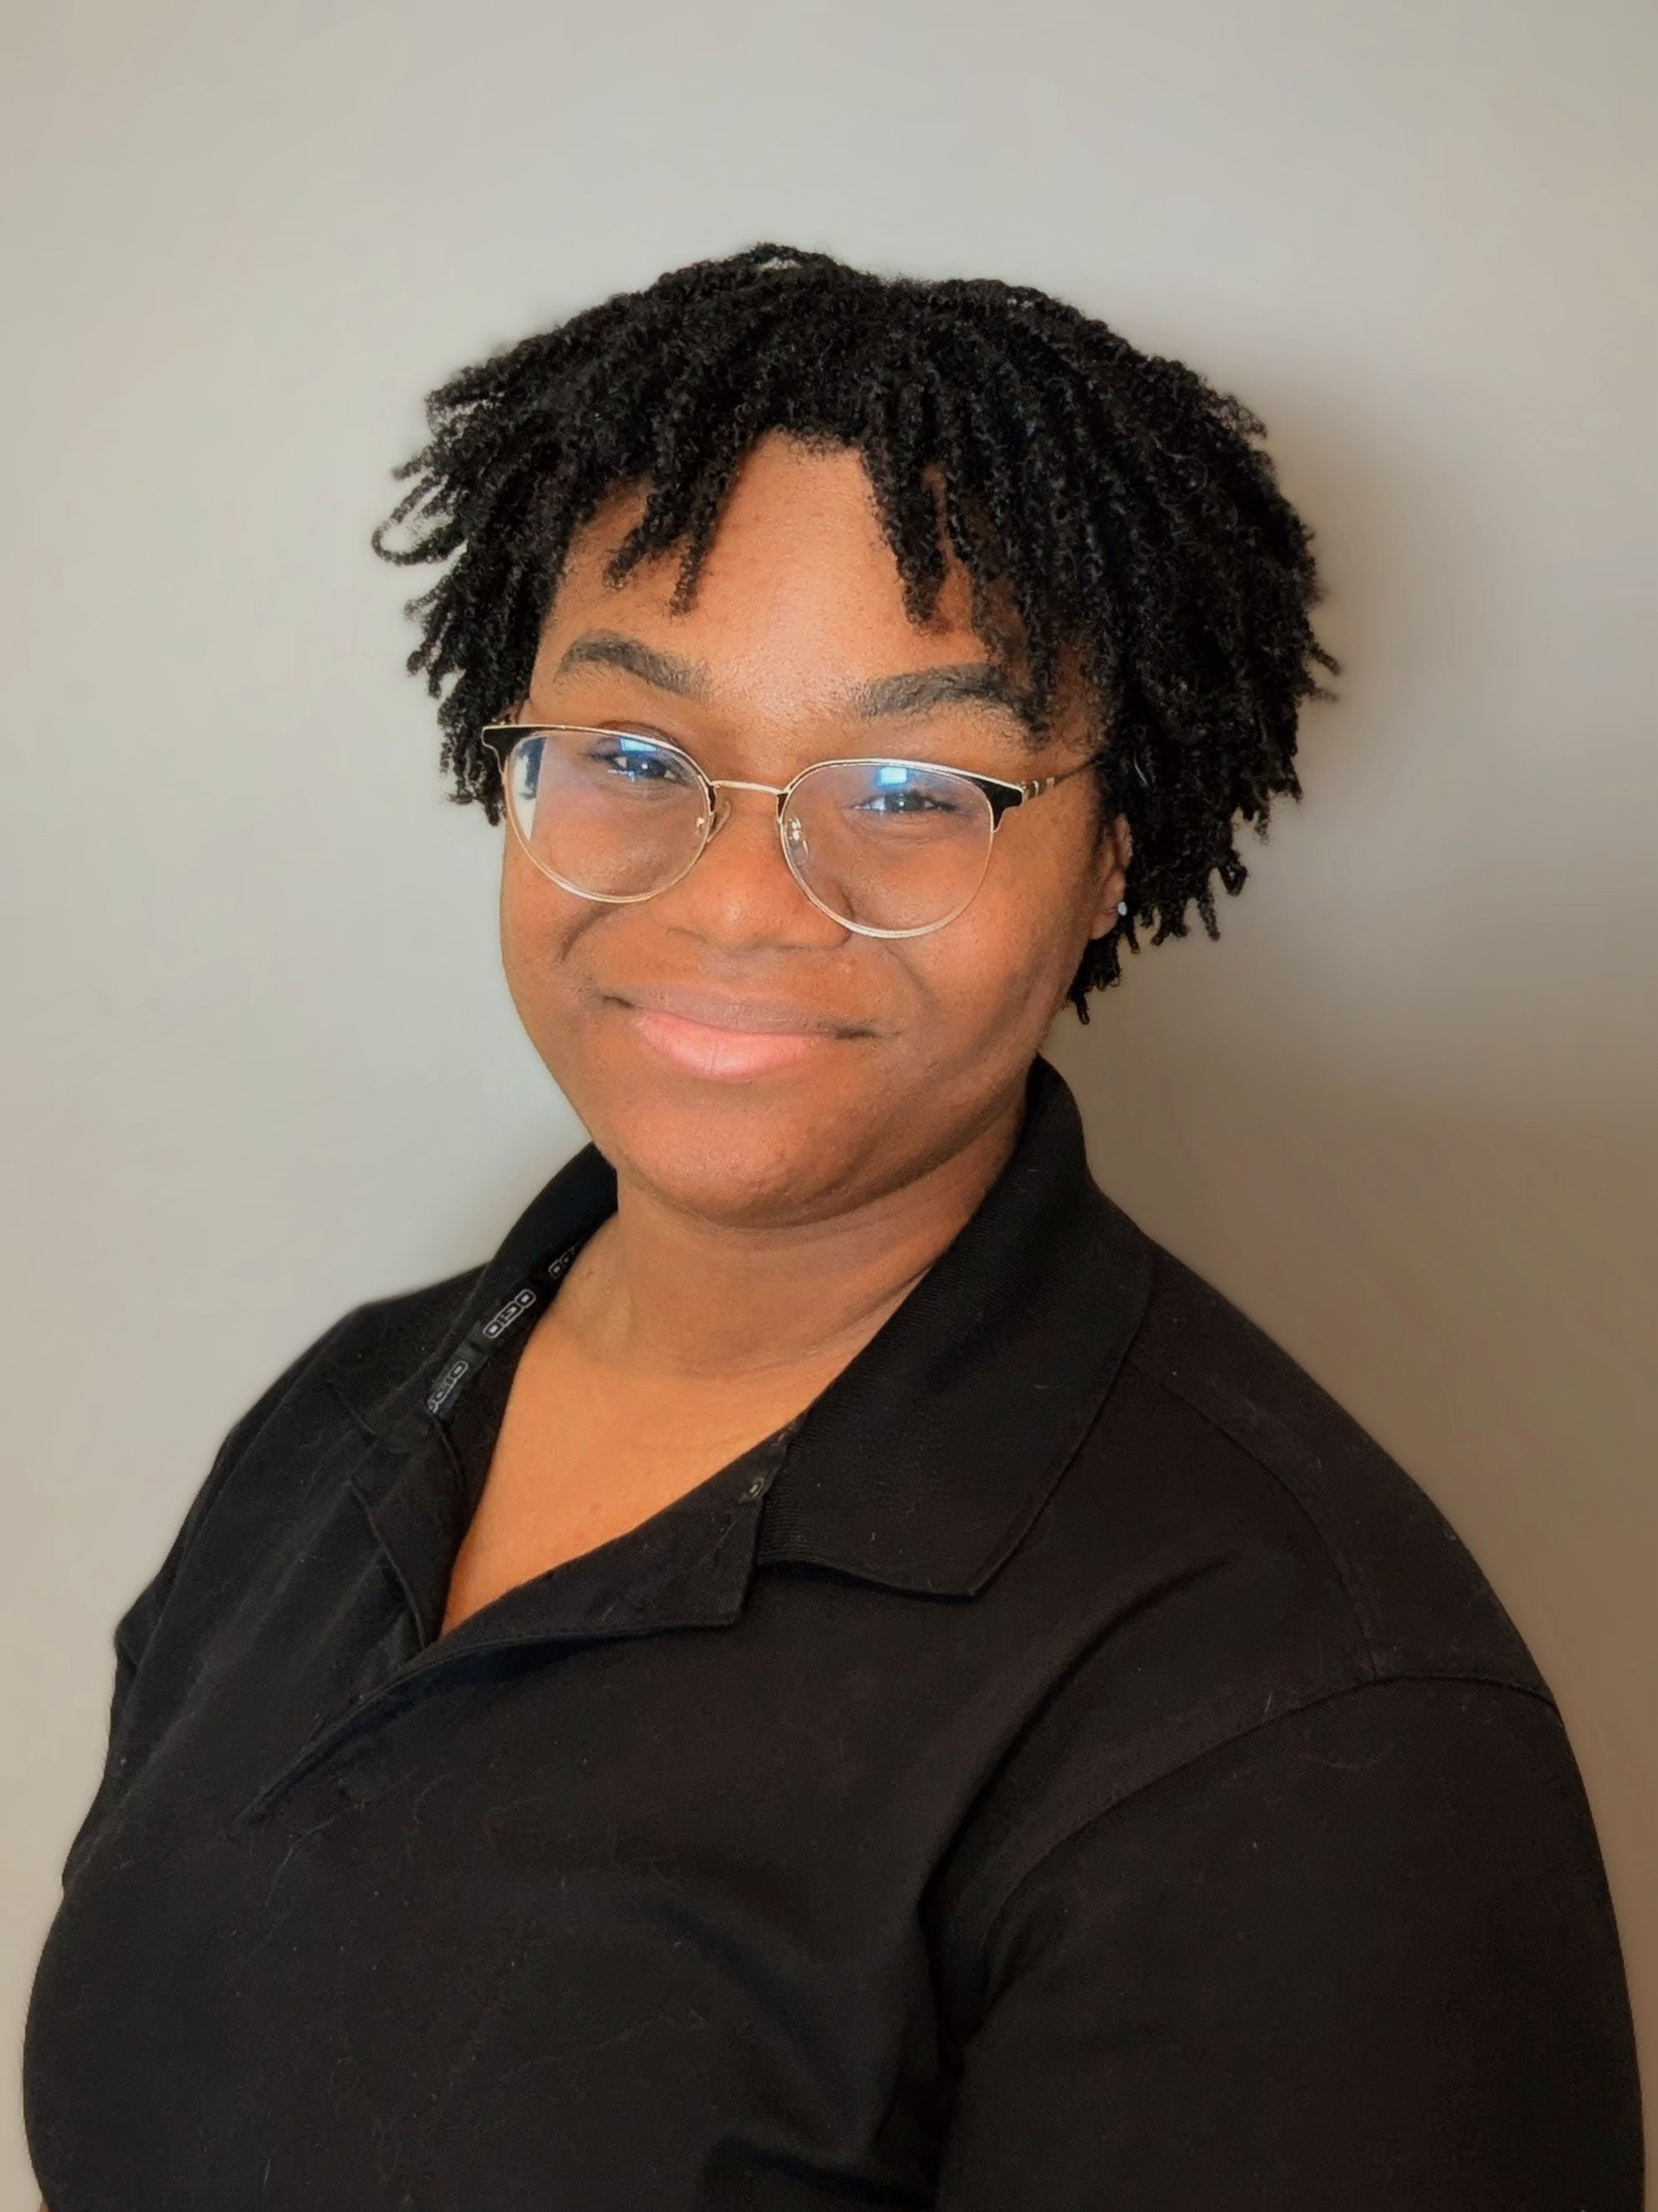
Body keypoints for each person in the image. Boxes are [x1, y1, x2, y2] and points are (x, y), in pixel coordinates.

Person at [23, 244, 1642, 2209]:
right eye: (633, 752)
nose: (736, 901)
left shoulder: (1308, 1723)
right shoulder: (343, 1420)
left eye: (907, 782)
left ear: (1113, 852)